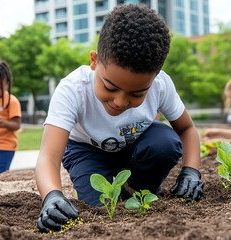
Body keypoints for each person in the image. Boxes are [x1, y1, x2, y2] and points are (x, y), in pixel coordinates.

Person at [35, 4, 203, 233]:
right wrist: (52, 196)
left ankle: (132, 191)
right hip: (86, 151)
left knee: (165, 142)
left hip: (136, 148)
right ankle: (121, 194)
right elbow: (48, 158)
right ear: (94, 61)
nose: (120, 102)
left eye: (137, 94)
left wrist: (191, 171)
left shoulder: (161, 85)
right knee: (101, 209)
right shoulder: (72, 89)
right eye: (110, 87)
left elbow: (187, 130)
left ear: (154, 79)